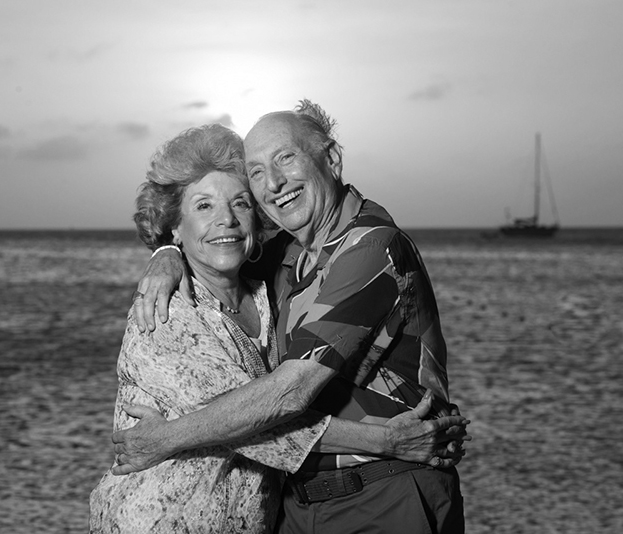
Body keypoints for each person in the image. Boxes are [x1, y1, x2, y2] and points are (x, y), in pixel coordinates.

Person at [89, 123, 468, 533]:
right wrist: (166, 252)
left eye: (241, 204)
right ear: (176, 227)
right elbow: (256, 421)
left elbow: (282, 399)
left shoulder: (337, 258)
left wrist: (166, 437)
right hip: (166, 519)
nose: (227, 221)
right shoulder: (167, 312)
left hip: (377, 495)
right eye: (203, 207)